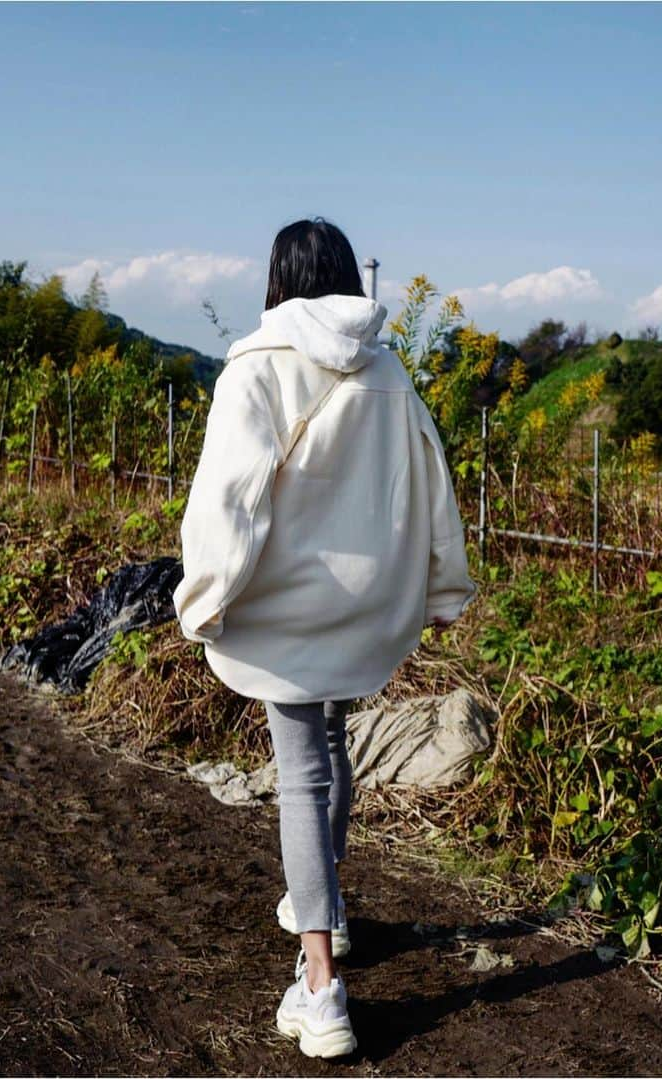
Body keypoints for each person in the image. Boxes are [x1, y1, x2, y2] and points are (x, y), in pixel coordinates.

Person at [173, 218, 475, 1059]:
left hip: (288, 606)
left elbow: (227, 501)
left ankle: (321, 987)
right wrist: (445, 585)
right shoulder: (389, 370)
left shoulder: (255, 365)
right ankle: (329, 907)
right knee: (334, 746)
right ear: (346, 277)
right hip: (366, 604)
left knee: (301, 775)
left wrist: (203, 597)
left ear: (277, 278)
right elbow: (433, 482)